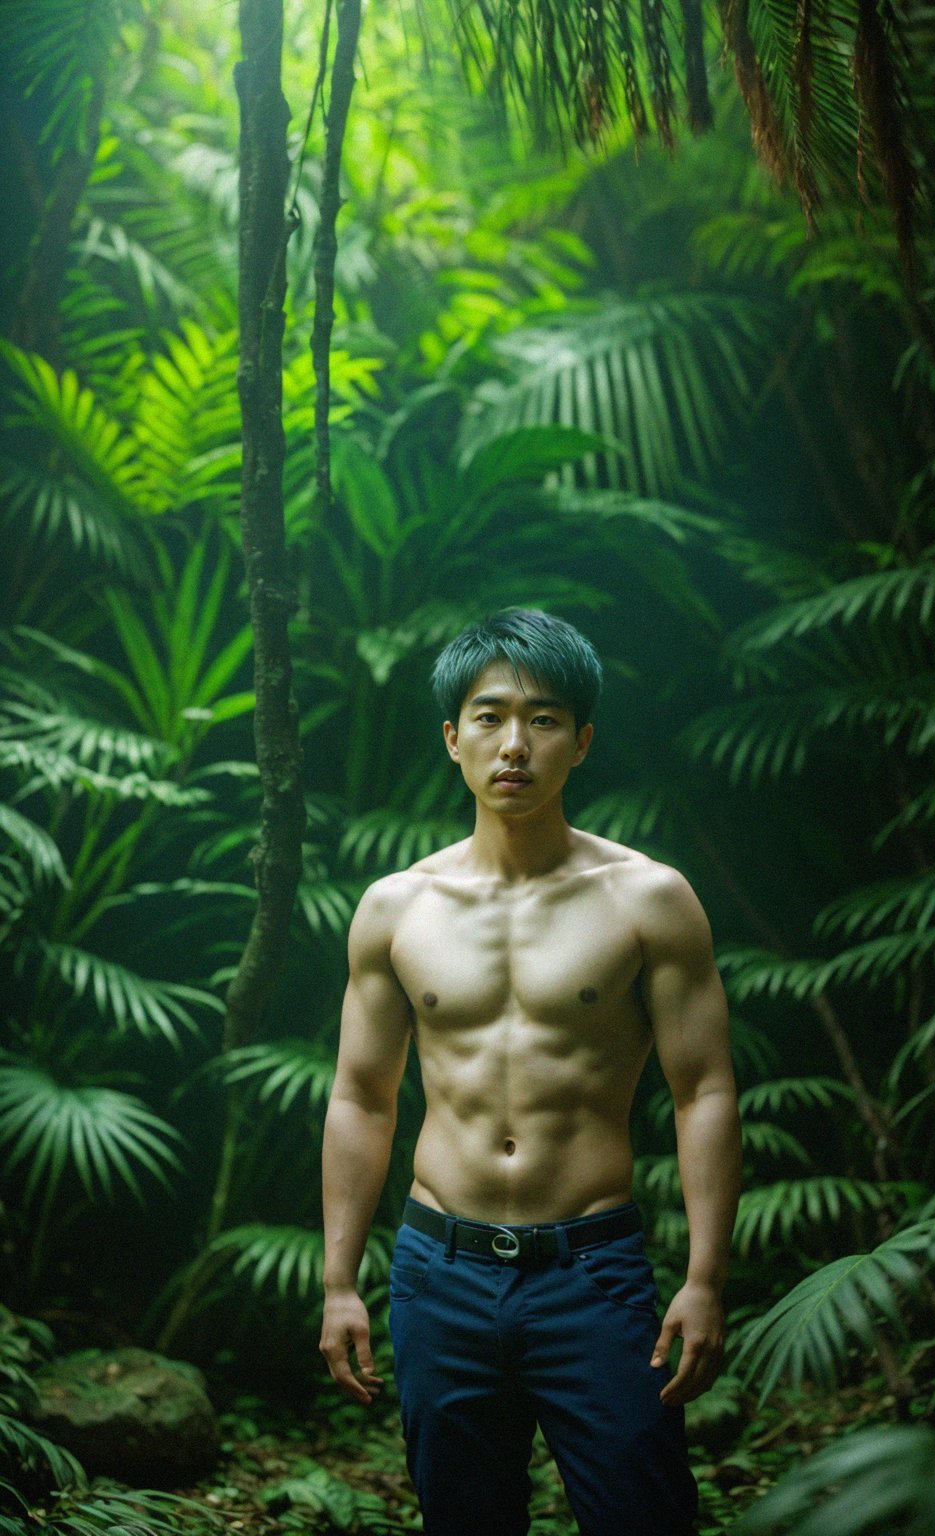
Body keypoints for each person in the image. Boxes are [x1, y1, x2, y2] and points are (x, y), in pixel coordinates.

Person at [319, 608, 742, 1536]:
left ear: (581, 742)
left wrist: (705, 1276)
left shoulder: (648, 900)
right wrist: (340, 1279)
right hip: (440, 1270)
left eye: (544, 719)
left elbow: (704, 1090)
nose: (516, 743)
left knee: (645, 1516)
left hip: (590, 1272)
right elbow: (361, 1097)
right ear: (452, 738)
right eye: (490, 716)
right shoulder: (396, 910)